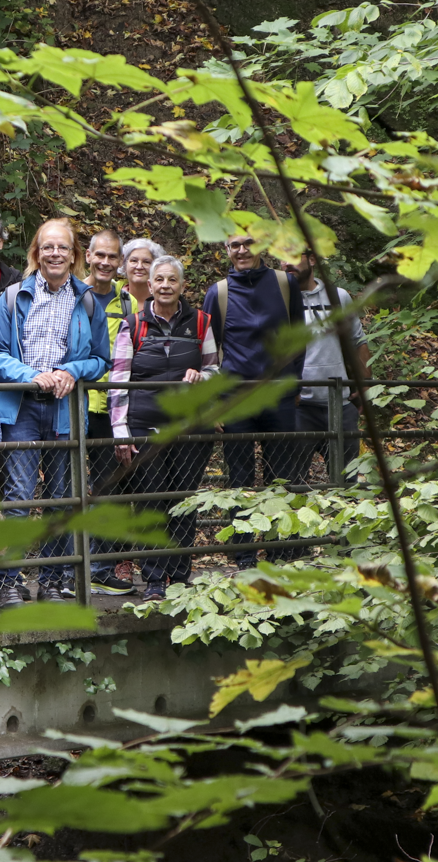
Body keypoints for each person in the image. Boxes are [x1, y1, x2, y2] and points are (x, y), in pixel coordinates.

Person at [0, 218, 109, 609]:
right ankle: (9, 583)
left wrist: (71, 370)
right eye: (47, 247)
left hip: (65, 410)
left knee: (60, 498)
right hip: (22, 408)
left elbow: (100, 359)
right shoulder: (12, 297)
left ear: (74, 256)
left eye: (63, 248)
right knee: (18, 498)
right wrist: (31, 376)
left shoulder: (87, 301)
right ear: (36, 253)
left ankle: (52, 581)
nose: (55, 253)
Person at [110, 255, 218, 601]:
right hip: (145, 427)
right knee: (151, 503)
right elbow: (119, 380)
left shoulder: (201, 322)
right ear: (150, 285)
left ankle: (181, 577)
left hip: (191, 426)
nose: (166, 286)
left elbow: (216, 370)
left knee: (183, 500)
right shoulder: (134, 324)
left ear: (182, 286)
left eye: (173, 280)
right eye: (160, 280)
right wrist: (120, 430)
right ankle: (155, 580)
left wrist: (202, 376)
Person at [204, 233, 306, 568]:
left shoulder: (285, 284)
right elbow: (208, 350)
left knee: (282, 474)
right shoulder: (218, 293)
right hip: (237, 399)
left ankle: (280, 551)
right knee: (241, 477)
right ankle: (244, 556)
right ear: (227, 250)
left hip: (277, 393)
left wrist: (293, 384)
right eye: (235, 245)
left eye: (249, 243)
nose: (242, 250)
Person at [82, 229, 135, 597]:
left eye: (112, 257)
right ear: (87, 256)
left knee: (104, 489)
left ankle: (99, 569)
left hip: (108, 409)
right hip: (70, 404)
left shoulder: (127, 301)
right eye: (99, 255)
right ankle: (66, 573)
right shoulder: (71, 294)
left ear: (119, 262)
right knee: (65, 489)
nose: (105, 262)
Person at [286, 254, 370, 482]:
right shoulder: (278, 299)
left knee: (346, 481)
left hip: (340, 405)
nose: (286, 262)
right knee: (293, 482)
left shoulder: (338, 297)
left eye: (293, 255)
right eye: (280, 257)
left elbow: (358, 340)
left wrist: (365, 384)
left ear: (312, 260)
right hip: (298, 409)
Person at [121, 239, 164, 315]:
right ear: (124, 264)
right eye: (134, 261)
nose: (139, 267)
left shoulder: (164, 301)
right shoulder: (113, 296)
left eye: (146, 262)